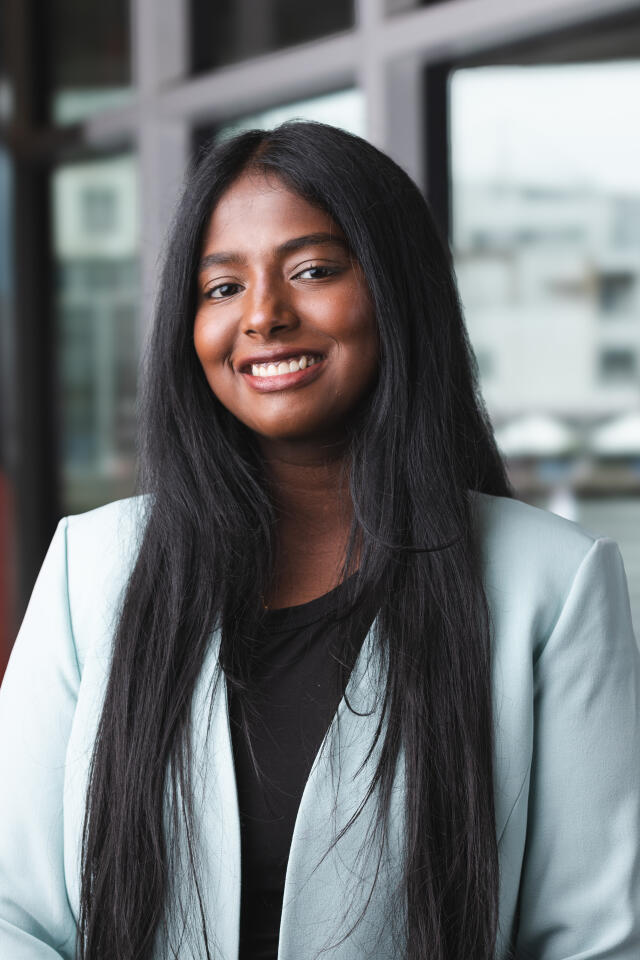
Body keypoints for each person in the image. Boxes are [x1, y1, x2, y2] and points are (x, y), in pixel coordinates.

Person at [0, 120, 638, 960]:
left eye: (313, 271)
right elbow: (17, 913)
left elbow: (592, 941)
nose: (263, 315)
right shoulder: (93, 570)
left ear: (395, 289)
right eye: (221, 287)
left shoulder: (551, 585)